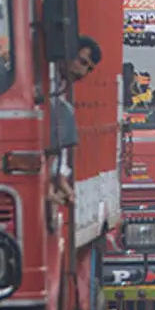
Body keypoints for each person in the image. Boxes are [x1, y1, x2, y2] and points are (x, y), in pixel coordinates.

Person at [48, 35, 103, 208]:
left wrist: (60, 178)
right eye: (82, 62)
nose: (82, 72)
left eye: (89, 69)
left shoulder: (60, 86)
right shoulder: (46, 80)